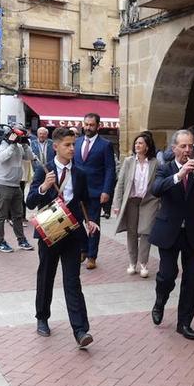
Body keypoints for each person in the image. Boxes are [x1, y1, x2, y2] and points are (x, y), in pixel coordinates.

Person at [26, 127, 99, 349]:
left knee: (72, 281)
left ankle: (80, 330)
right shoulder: (43, 169)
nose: (72, 149)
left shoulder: (80, 173)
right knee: (46, 276)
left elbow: (86, 200)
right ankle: (42, 317)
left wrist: (91, 220)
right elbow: (29, 201)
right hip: (49, 232)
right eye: (67, 145)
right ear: (55, 146)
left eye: (73, 144)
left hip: (73, 233)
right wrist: (44, 187)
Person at [149, 129, 194, 340]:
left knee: (190, 280)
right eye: (183, 146)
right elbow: (156, 189)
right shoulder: (166, 168)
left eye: (191, 146)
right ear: (174, 148)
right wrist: (179, 176)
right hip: (169, 231)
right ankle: (160, 301)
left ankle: (185, 323)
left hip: (193, 232)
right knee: (168, 275)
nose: (188, 150)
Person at [112, 132, 159, 278]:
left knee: (146, 232)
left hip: (149, 201)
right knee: (132, 232)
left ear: (147, 146)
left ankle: (143, 263)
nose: (137, 145)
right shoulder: (128, 161)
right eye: (136, 143)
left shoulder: (155, 163)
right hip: (132, 200)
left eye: (140, 143)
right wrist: (117, 203)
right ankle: (132, 263)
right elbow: (121, 183)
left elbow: (159, 184)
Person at [74, 113, 116, 270]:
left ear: (98, 126)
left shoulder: (105, 145)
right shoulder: (76, 143)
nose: (88, 127)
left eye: (91, 125)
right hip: (77, 192)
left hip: (95, 191)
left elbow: (110, 169)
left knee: (93, 225)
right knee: (76, 223)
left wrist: (106, 190)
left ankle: (92, 256)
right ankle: (83, 249)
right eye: (86, 124)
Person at [0, 124, 34, 252]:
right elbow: (2, 157)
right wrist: (11, 144)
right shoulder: (2, 145)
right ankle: (0, 242)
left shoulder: (19, 147)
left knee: (18, 215)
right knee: (2, 216)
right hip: (3, 185)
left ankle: (21, 240)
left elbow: (30, 157)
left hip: (16, 185)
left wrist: (26, 144)